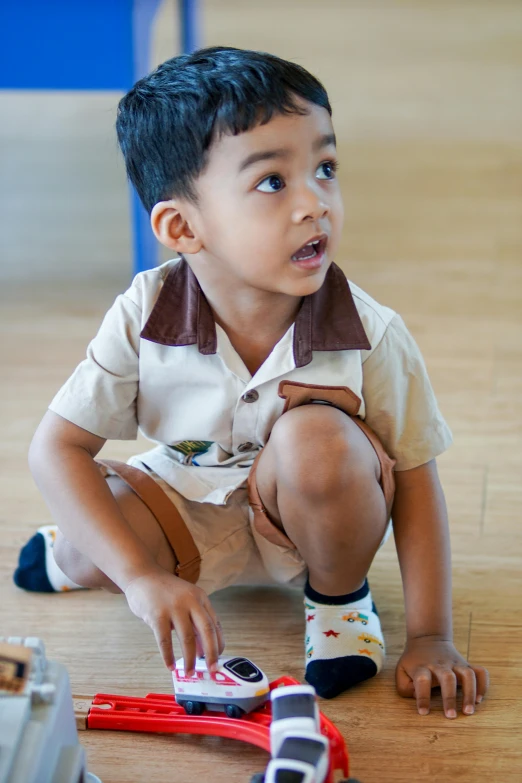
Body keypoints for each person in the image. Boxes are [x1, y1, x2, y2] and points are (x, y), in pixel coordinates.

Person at [14, 46, 488, 718]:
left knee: (317, 440)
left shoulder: (371, 332)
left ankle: (339, 600)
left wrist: (432, 634)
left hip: (309, 519)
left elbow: (416, 478)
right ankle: (81, 556)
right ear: (183, 226)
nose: (314, 204)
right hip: (184, 502)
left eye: (325, 169)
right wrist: (142, 577)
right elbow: (54, 449)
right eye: (274, 182)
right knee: (102, 534)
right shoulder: (143, 313)